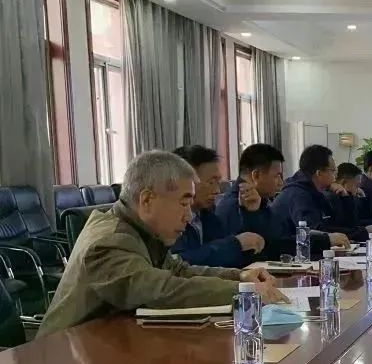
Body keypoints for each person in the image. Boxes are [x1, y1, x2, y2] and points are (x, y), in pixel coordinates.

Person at [39, 151, 285, 335]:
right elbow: (160, 291)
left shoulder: (139, 230)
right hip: (64, 363)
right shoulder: (109, 241)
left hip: (109, 349)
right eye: (183, 203)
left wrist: (240, 277)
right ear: (147, 200)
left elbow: (178, 270)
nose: (188, 216)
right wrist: (244, 292)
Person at [170, 146, 264, 268]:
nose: (217, 190)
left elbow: (240, 260)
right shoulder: (168, 219)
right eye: (210, 182)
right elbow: (177, 263)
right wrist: (235, 244)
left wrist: (250, 213)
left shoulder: (207, 216)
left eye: (218, 182)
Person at [216, 143, 299, 261]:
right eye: (277, 176)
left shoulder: (263, 201)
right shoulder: (232, 207)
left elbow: (277, 240)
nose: (281, 182)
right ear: (256, 175)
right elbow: (257, 253)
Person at [270, 145, 356, 254]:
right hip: (286, 257)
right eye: (333, 171)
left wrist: (345, 197)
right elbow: (314, 231)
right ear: (319, 173)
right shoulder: (298, 195)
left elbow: (336, 224)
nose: (335, 177)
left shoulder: (317, 193)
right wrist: (360, 233)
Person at [324, 163, 372, 235]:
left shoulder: (347, 197)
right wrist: (365, 230)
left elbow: (360, 219)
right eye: (357, 186)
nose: (358, 190)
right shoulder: (332, 198)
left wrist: (363, 197)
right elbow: (351, 225)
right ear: (343, 182)